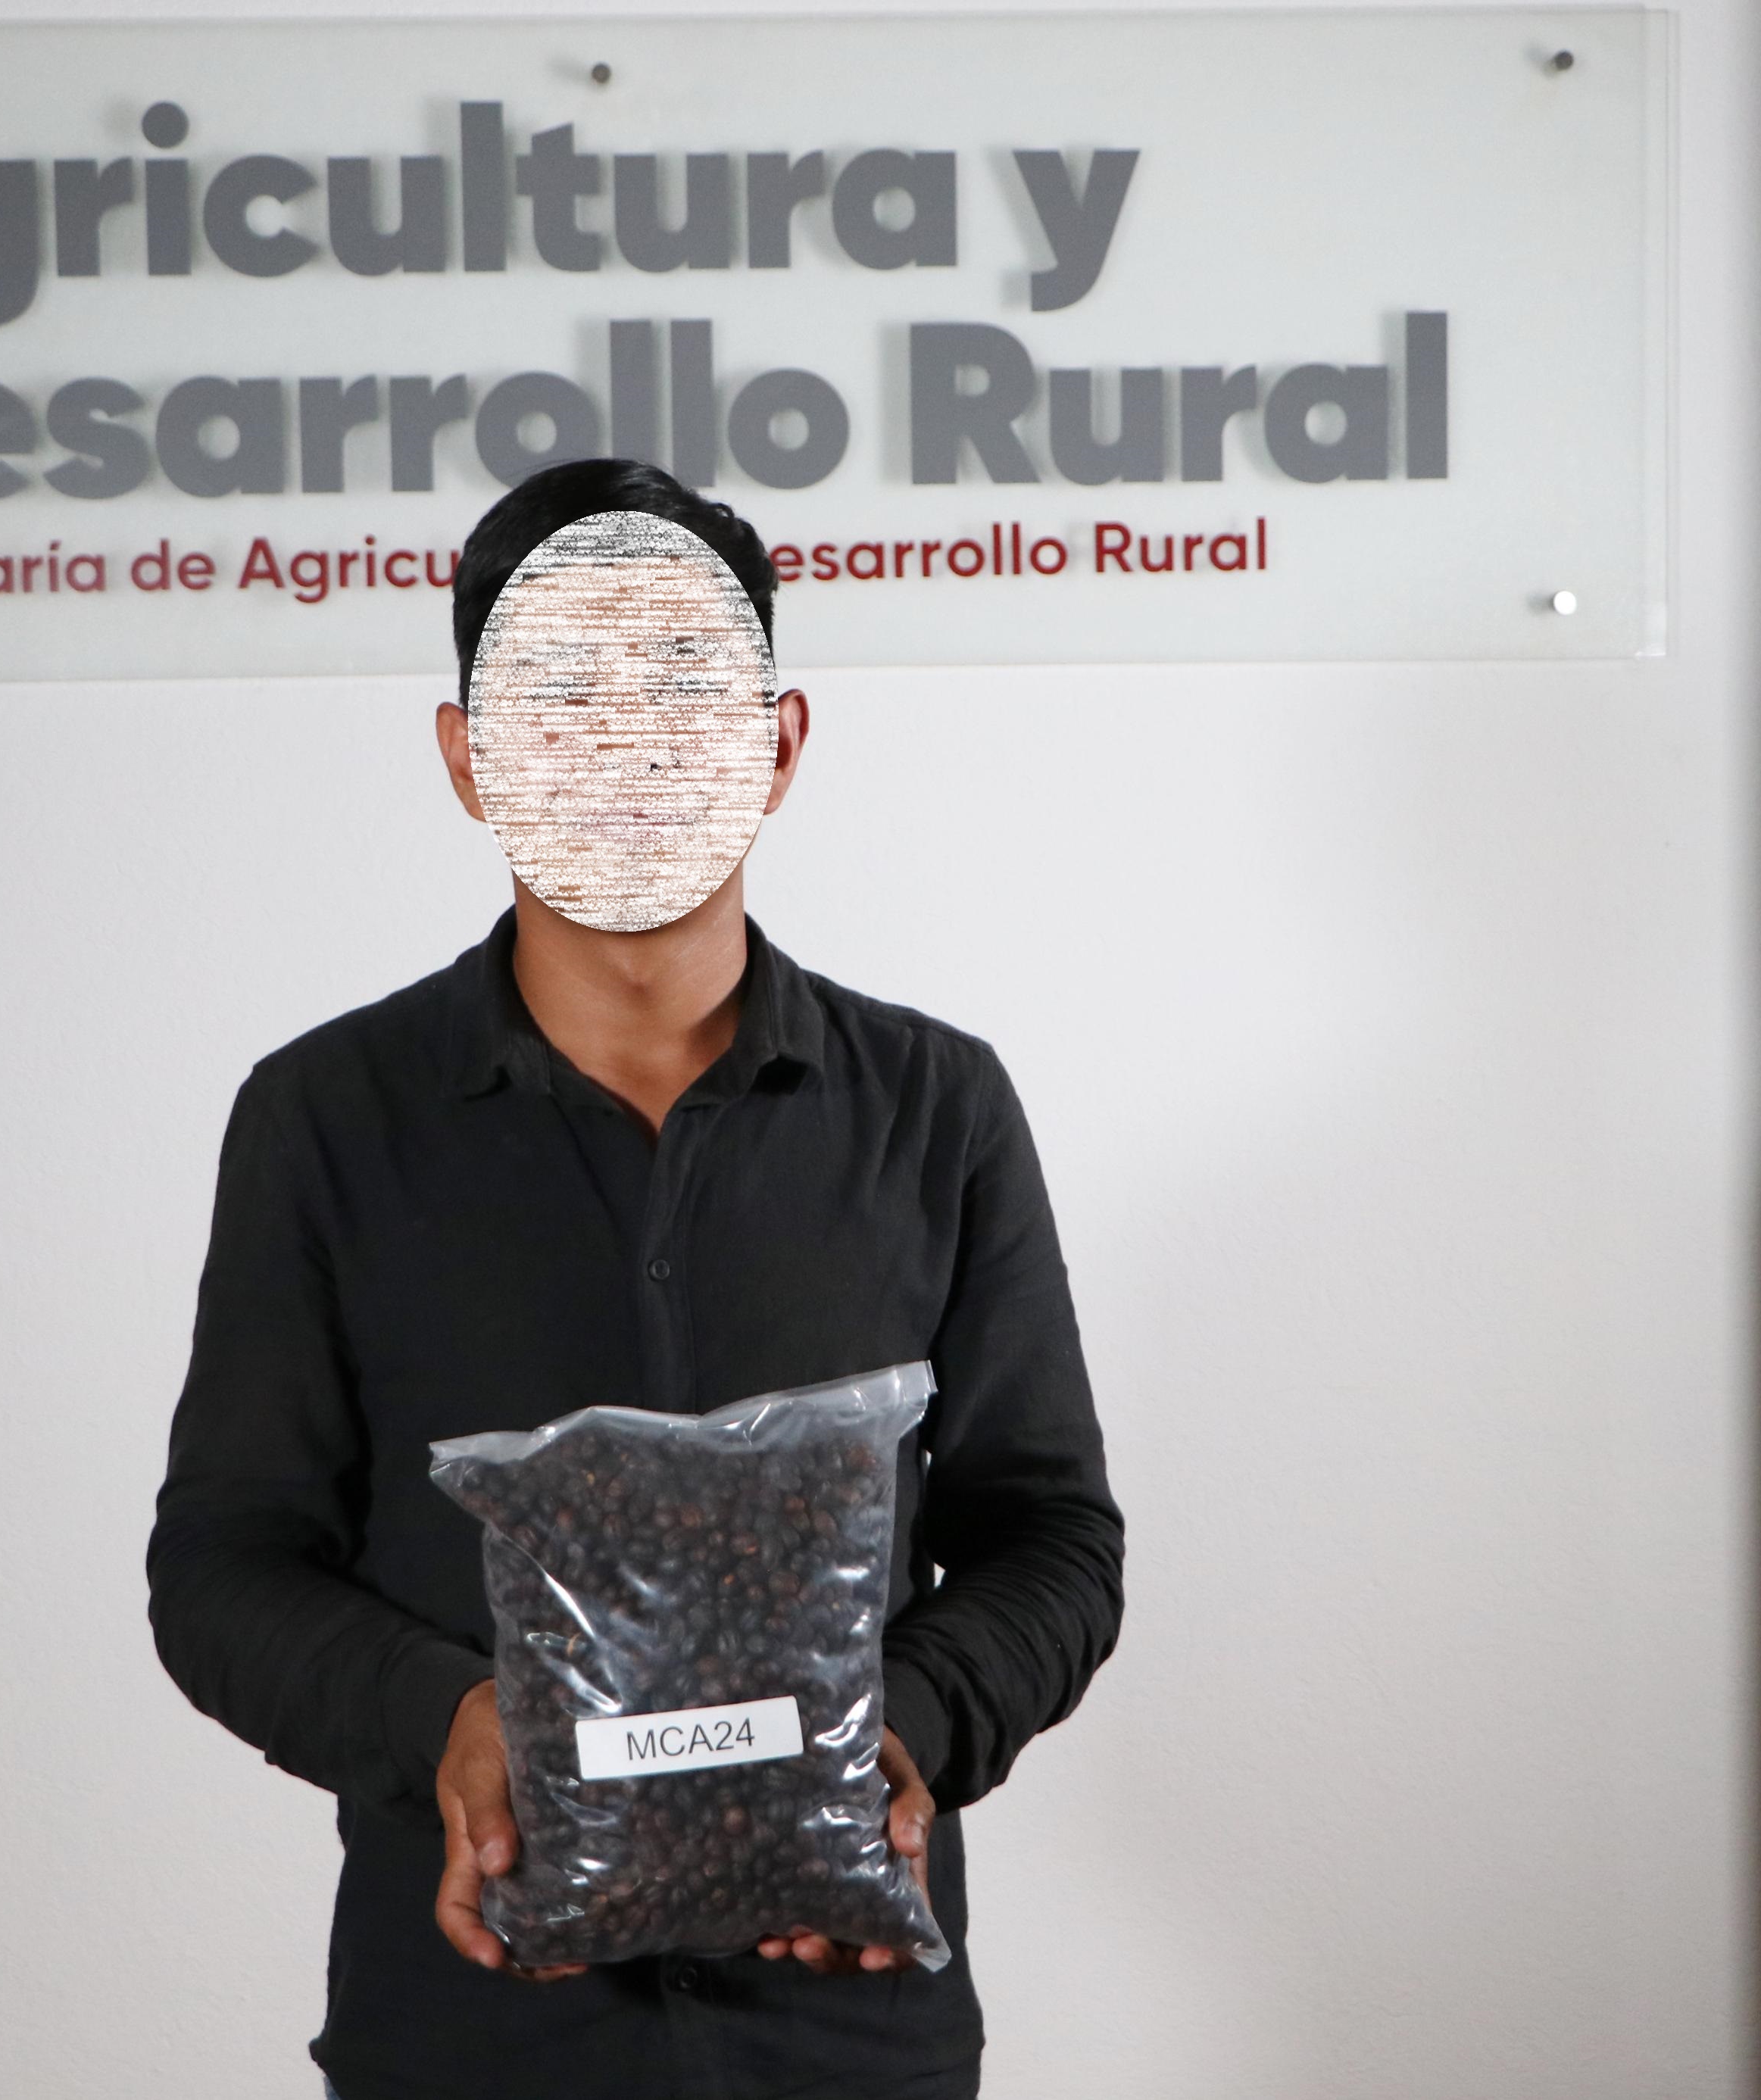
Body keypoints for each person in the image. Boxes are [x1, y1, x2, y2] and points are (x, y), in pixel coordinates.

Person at [146, 457, 1125, 2100]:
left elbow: (1054, 1538)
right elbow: (223, 1567)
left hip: (850, 2042)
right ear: (469, 757)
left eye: (681, 693)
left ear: (779, 744)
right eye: (560, 703)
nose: (626, 752)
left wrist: (897, 1729)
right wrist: (452, 1717)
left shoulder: (936, 1109)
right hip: (468, 2036)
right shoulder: (324, 1119)